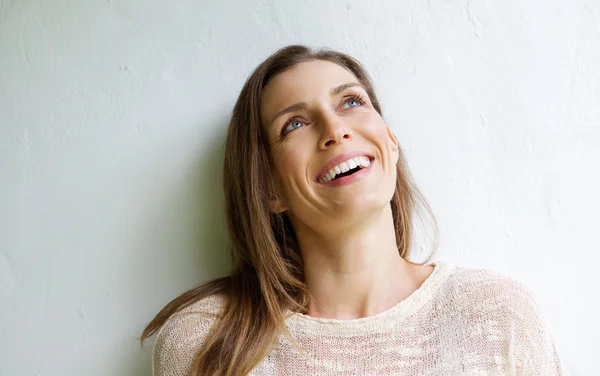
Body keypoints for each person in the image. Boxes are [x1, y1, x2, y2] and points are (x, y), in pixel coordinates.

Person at [140, 45, 563, 375]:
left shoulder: (499, 315)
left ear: (390, 143)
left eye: (351, 102)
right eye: (295, 124)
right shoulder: (207, 341)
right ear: (268, 188)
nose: (335, 129)